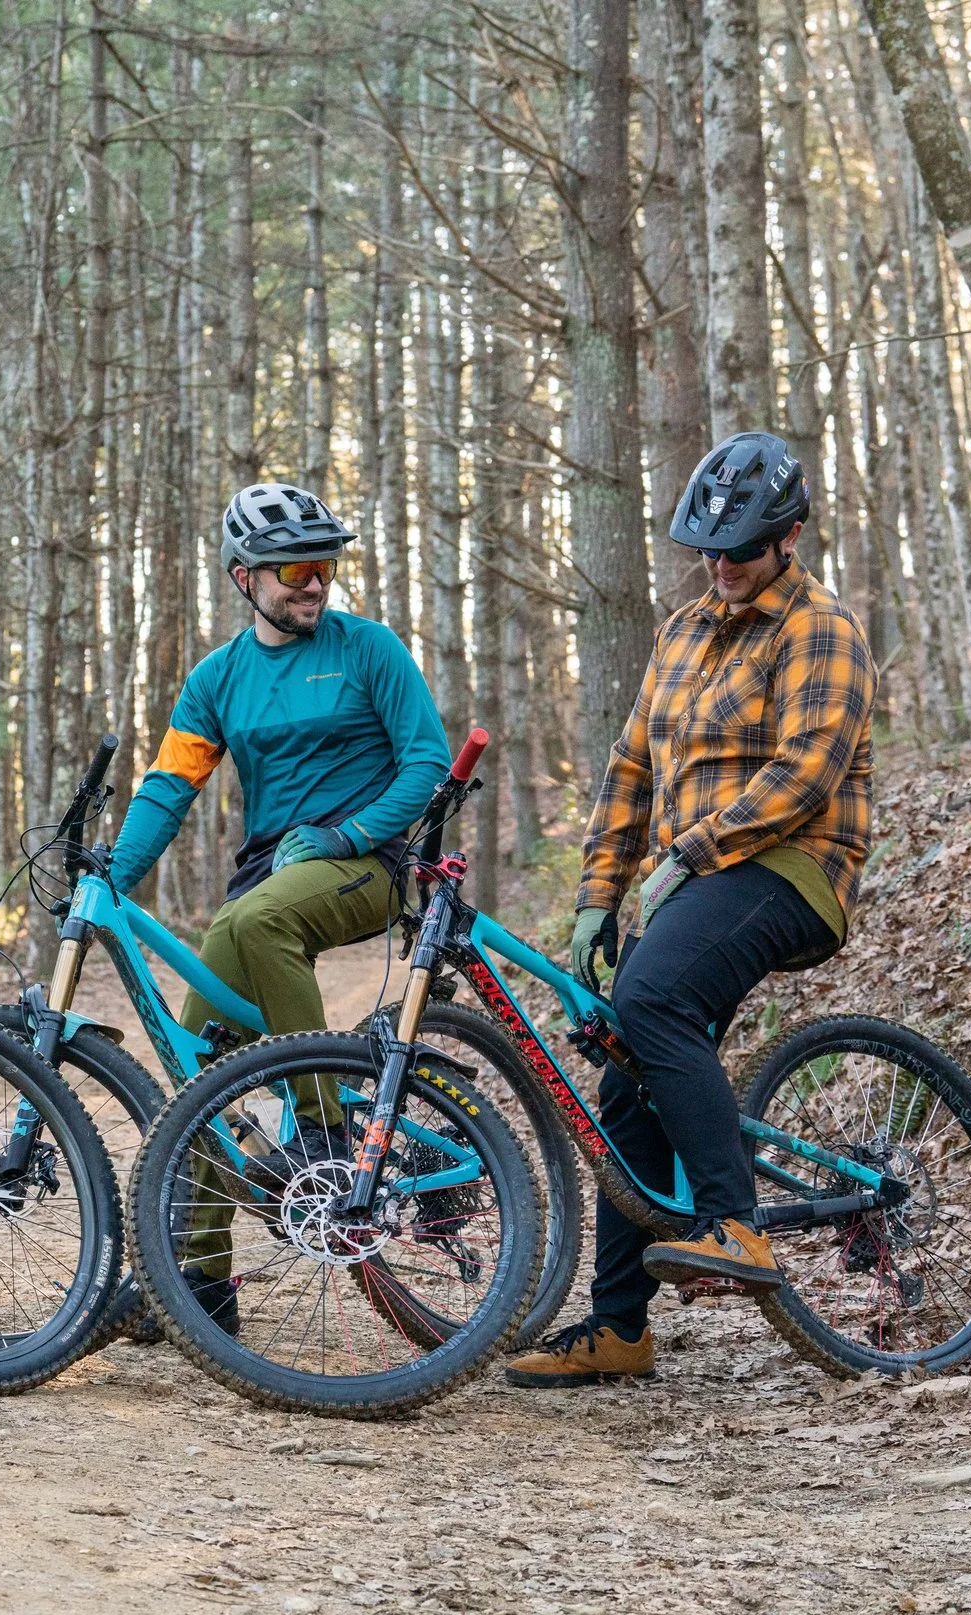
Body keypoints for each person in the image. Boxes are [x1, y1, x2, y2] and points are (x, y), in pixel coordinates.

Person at [505, 432, 875, 1388]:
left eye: (741, 551)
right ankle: (619, 1327)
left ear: (788, 539)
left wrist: (688, 854)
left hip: (793, 869)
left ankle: (736, 1227)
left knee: (654, 1004)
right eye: (707, 550)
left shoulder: (820, 630)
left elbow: (805, 776)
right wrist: (597, 899)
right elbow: (630, 771)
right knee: (628, 1080)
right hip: (694, 875)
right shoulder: (680, 632)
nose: (721, 567)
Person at [107, 481, 452, 1329]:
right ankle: (201, 1286)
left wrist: (347, 835)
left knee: (257, 919)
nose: (314, 583)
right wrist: (111, 875)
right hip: (263, 877)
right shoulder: (217, 679)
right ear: (243, 578)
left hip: (364, 863)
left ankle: (324, 1132)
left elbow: (427, 762)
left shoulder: (369, 649)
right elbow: (168, 787)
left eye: (325, 567)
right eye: (296, 568)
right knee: (196, 1067)